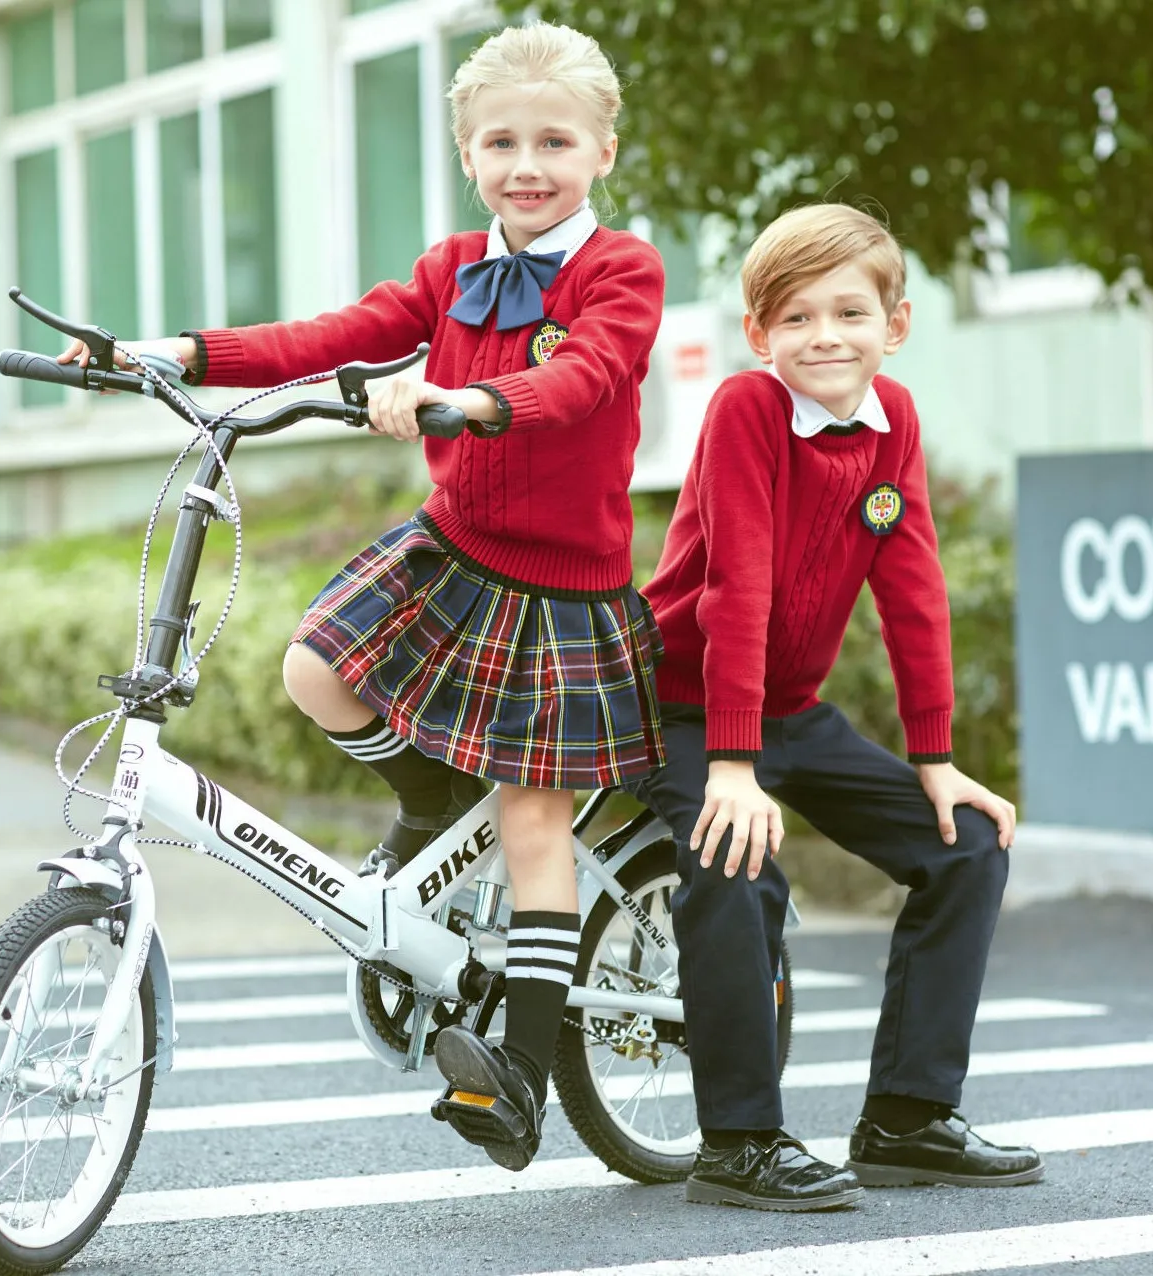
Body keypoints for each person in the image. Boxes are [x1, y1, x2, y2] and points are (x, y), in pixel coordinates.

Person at [62, 22, 666, 1175]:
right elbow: (333, 337)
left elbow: (591, 374)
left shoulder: (618, 269)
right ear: (466, 152)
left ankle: (523, 1079)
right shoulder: (450, 269)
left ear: (603, 150)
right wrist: (169, 353)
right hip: (451, 550)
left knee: (535, 823)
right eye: (500, 141)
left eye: (553, 140)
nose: (526, 163)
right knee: (313, 668)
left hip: (559, 591)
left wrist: (476, 401)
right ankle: (430, 805)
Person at [625, 202, 1044, 1212]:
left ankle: (907, 1117)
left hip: (792, 715)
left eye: (849, 313)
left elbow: (914, 590)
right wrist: (731, 765)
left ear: (893, 324)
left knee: (966, 843)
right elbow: (739, 589)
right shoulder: (744, 411)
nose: (825, 336)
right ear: (759, 334)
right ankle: (738, 1143)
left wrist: (934, 758)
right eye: (796, 317)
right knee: (737, 856)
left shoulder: (892, 420)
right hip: (678, 711)